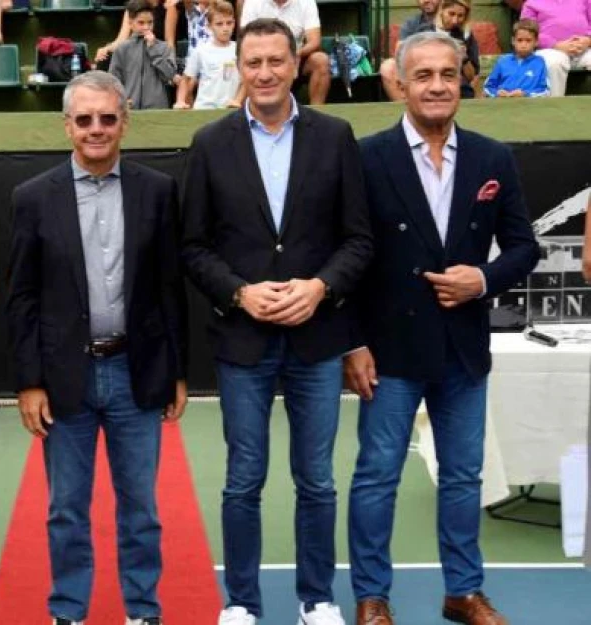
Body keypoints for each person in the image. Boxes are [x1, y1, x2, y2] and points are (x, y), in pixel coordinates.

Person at [180, 18, 373, 625]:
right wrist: (239, 294)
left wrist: (320, 288)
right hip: (244, 339)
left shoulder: (336, 135)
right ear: (239, 67)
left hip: (318, 339)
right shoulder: (210, 143)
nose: (264, 72)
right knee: (243, 481)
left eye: (275, 61)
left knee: (317, 480)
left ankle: (316, 599)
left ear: (295, 64)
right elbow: (192, 246)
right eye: (253, 62)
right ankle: (241, 602)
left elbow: (359, 240)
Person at [346, 30, 540, 625]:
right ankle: (372, 597)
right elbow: (347, 255)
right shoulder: (366, 156)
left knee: (463, 477)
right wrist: (353, 341)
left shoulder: (491, 158)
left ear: (463, 81)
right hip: (389, 349)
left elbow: (524, 247)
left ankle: (463, 591)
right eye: (423, 76)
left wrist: (481, 280)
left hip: (463, 350)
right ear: (401, 84)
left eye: (447, 75)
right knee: (376, 477)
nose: (436, 86)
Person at [5, 70, 187, 625]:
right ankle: (68, 611)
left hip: (137, 372)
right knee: (65, 510)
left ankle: (142, 611)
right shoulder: (32, 198)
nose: (96, 129)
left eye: (108, 118)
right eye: (84, 119)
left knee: (141, 510)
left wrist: (177, 371)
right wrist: (30, 381)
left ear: (124, 122)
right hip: (65, 378)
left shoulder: (157, 190)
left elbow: (169, 289)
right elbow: (22, 298)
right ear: (67, 127)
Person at [238, 0, 330, 104]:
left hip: (295, 58)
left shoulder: (306, 2)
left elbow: (314, 41)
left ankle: (317, 110)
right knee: (249, 62)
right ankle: (240, 104)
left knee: (321, 60)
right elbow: (245, 40)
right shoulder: (252, 2)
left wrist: (294, 55)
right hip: (261, 58)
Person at [174, 0, 242, 109]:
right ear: (209, 26)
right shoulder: (200, 50)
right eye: (219, 24)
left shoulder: (240, 49)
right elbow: (186, 79)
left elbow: (246, 81)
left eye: (229, 23)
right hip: (204, 108)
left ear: (234, 23)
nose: (225, 28)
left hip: (231, 109)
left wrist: (237, 100)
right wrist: (180, 101)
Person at [109, 0, 177, 110]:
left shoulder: (164, 47)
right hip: (130, 109)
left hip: (158, 109)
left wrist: (153, 50)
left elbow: (170, 75)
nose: (146, 27)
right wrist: (122, 100)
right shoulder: (122, 49)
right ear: (131, 23)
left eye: (150, 22)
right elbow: (114, 80)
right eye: (141, 23)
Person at [520, 0, 591, 97]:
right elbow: (527, 32)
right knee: (555, 63)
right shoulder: (531, 3)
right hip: (550, 50)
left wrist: (587, 40)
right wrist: (556, 44)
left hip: (584, 49)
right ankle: (554, 106)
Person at [379, 0, 439, 100]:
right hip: (416, 67)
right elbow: (399, 53)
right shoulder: (411, 24)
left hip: (441, 66)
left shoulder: (453, 20)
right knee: (388, 66)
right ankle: (403, 109)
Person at [483, 19, 550, 97]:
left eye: (528, 41)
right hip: (503, 104)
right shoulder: (502, 61)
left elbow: (545, 90)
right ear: (513, 41)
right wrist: (497, 93)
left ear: (536, 42)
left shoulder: (539, 62)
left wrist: (525, 94)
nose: (523, 45)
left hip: (529, 105)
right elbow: (488, 88)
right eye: (519, 40)